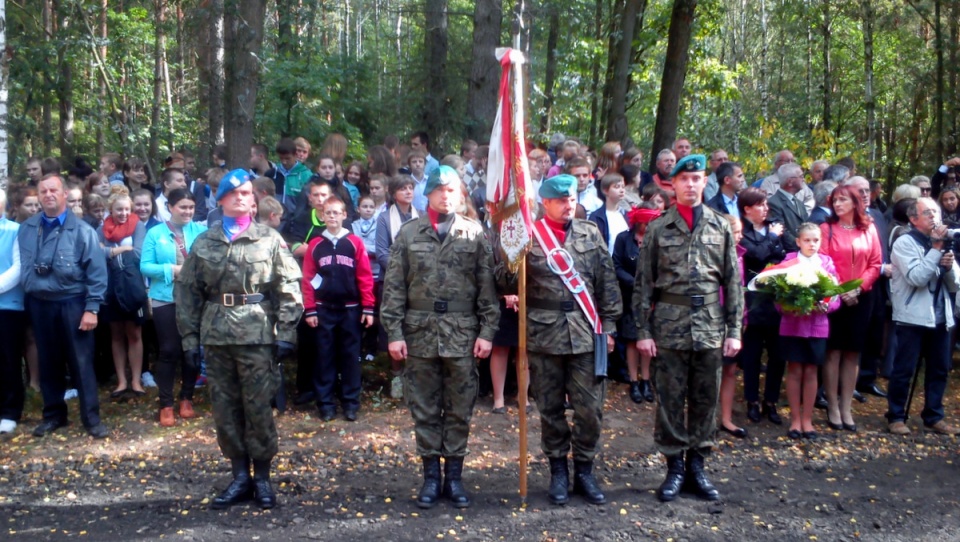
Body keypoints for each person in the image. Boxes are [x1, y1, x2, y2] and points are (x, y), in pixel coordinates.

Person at [175, 169, 303, 510]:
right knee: (225, 410)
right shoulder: (205, 241)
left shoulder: (270, 239)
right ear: (221, 201)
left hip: (257, 334)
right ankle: (239, 477)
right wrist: (189, 340)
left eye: (246, 193)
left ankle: (262, 477)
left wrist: (287, 332)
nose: (241, 198)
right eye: (233, 194)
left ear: (254, 199)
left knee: (259, 408)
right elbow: (187, 292)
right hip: (217, 337)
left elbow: (289, 287)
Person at [380, 165, 499, 509]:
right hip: (419, 333)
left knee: (460, 409)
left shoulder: (474, 234)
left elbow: (486, 289)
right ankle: (431, 477)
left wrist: (488, 332)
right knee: (425, 408)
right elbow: (394, 289)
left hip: (462, 334)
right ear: (428, 193)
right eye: (441, 190)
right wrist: (394, 333)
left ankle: (455, 478)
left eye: (453, 190)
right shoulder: (408, 233)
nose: (447, 195)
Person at [634, 154, 743, 503]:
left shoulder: (720, 225)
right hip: (669, 324)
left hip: (710, 325)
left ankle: (698, 465)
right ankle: (674, 467)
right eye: (684, 179)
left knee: (705, 398)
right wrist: (643, 330)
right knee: (668, 399)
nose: (691, 185)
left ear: (703, 183)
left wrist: (734, 330)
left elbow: (733, 283)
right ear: (674, 184)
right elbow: (643, 284)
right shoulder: (657, 227)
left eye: (697, 179)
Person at [520, 174, 622, 506]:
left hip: (585, 332)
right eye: (561, 200)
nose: (569, 205)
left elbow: (606, 281)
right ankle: (558, 472)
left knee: (589, 409)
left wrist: (608, 326)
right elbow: (504, 279)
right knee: (549, 409)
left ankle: (584, 470)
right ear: (545, 202)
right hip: (543, 334)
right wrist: (510, 251)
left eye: (572, 199)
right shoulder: (529, 236)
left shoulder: (590, 233)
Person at [19, 174, 110, 439]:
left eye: (53, 190)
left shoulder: (82, 230)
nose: (48, 195)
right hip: (39, 304)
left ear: (64, 194)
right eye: (43, 191)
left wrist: (91, 309)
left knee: (81, 364)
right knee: (48, 362)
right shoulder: (27, 228)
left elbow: (97, 272)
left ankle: (91, 419)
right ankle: (53, 415)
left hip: (72, 303)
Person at [886, 197, 960, 435]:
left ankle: (934, 415)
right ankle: (896, 416)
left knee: (939, 367)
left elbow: (956, 284)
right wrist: (936, 251)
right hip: (913, 316)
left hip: (941, 316)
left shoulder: (942, 242)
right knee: (904, 369)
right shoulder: (904, 243)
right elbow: (917, 278)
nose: (934, 217)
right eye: (927, 213)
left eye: (935, 213)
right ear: (913, 219)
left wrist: (948, 267)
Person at [301, 197, 375, 421]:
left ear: (345, 215)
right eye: (328, 213)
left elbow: (364, 276)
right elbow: (307, 278)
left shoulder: (354, 243)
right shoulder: (315, 245)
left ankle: (350, 402)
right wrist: (311, 309)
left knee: (350, 357)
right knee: (325, 356)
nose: (332, 217)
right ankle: (325, 403)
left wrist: (368, 308)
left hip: (350, 309)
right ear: (322, 216)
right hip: (324, 310)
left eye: (336, 213)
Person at [140, 189, 207, 427]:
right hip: (164, 297)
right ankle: (166, 404)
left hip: (194, 299)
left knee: (192, 351)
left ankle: (187, 398)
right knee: (169, 350)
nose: (188, 211)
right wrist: (171, 270)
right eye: (182, 207)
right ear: (170, 207)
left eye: (191, 207)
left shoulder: (201, 231)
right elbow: (145, 266)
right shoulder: (155, 233)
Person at [819, 185, 882, 432]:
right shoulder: (827, 229)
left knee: (853, 352)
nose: (837, 204)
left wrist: (859, 288)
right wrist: (841, 290)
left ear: (856, 203)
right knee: (833, 352)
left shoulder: (869, 228)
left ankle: (847, 407)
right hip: (834, 297)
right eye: (835, 200)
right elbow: (823, 262)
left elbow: (876, 263)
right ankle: (832, 406)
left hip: (862, 297)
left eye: (843, 200)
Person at [779, 223, 840, 439]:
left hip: (817, 326)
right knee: (795, 370)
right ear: (798, 242)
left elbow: (835, 295)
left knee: (812, 371)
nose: (811, 244)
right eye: (807, 240)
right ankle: (795, 419)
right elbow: (778, 296)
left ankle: (807, 419)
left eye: (815, 240)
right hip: (793, 325)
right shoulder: (788, 262)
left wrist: (827, 305)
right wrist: (790, 305)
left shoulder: (826, 263)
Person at [738, 187, 787, 425]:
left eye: (766, 204)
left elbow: (782, 256)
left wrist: (773, 243)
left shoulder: (774, 227)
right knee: (752, 355)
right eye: (760, 205)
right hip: (753, 302)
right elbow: (755, 255)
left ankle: (771, 400)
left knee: (778, 355)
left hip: (776, 301)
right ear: (747, 209)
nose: (766, 209)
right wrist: (772, 240)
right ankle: (752, 400)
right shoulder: (743, 232)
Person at [97, 186, 148, 400]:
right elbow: (97, 252)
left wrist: (109, 251)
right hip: (110, 288)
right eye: (119, 209)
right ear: (111, 209)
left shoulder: (138, 226)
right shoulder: (102, 228)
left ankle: (136, 380)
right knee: (116, 334)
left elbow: (138, 253)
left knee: (134, 333)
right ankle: (121, 381)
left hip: (133, 287)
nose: (124, 213)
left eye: (127, 209)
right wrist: (118, 250)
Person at [375, 174, 419, 399]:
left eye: (411, 187)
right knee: (394, 328)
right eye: (403, 188)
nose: (408, 192)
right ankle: (397, 376)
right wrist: (402, 269)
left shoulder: (420, 217)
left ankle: (415, 377)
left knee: (415, 327)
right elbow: (381, 252)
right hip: (392, 281)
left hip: (418, 282)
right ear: (393, 194)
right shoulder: (384, 218)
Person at [612, 204, 660, 404]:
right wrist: (635, 283)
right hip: (629, 296)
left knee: (648, 338)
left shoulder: (658, 239)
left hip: (653, 297)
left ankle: (646, 379)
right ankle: (633, 380)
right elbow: (616, 265)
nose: (649, 226)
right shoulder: (624, 239)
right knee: (632, 339)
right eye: (646, 222)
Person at [718, 214, 748, 439]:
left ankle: (726, 418)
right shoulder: (712, 255)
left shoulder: (740, 255)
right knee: (709, 371)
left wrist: (740, 321)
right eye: (736, 232)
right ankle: (705, 418)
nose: (740, 237)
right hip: (711, 320)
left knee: (730, 370)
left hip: (733, 320)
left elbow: (740, 293)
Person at [0, 188, 25, 434]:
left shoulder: (15, 231)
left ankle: (9, 411)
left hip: (8, 307)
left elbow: (19, 268)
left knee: (7, 360)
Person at [352, 195, 381, 361]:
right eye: (364, 206)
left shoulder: (379, 226)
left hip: (375, 275)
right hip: (357, 275)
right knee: (358, 312)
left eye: (371, 207)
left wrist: (362, 248)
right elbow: (352, 246)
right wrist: (365, 249)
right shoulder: (352, 226)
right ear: (358, 209)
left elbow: (379, 248)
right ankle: (357, 349)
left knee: (373, 312)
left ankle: (371, 348)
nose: (368, 209)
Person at [767, 163, 810, 252]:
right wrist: (800, 245)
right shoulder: (773, 203)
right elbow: (782, 231)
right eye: (801, 176)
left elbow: (806, 225)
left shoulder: (799, 202)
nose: (803, 179)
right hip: (789, 254)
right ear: (790, 181)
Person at [587, 173, 628, 254]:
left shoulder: (627, 215)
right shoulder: (596, 216)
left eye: (623, 187)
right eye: (616, 187)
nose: (622, 190)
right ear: (605, 191)